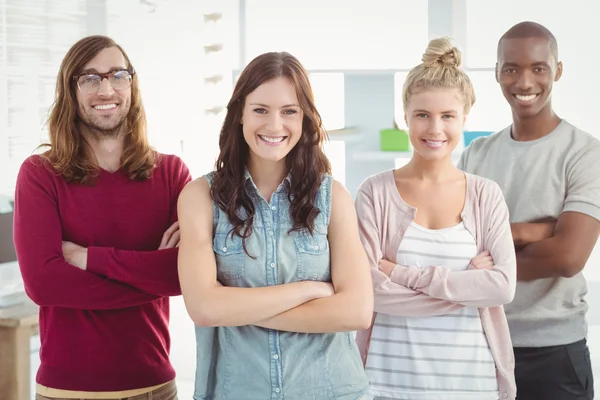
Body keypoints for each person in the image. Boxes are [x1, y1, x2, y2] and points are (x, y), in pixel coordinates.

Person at [177, 51, 373, 400]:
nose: (274, 126)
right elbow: (205, 309)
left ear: (304, 119)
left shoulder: (333, 198)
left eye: (289, 112)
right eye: (260, 110)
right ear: (239, 113)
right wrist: (309, 290)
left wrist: (236, 310)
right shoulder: (199, 198)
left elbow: (356, 311)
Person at [13, 35, 190, 400]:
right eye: (90, 78)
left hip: (156, 388)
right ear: (71, 90)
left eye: (117, 75)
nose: (106, 88)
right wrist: (150, 274)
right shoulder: (40, 174)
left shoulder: (172, 174)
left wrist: (85, 258)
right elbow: (43, 285)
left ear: (132, 84)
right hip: (65, 391)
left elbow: (183, 275)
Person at [355, 37, 517, 400]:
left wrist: (399, 273)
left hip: (472, 384)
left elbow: (503, 287)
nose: (434, 129)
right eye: (422, 115)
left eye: (447, 116)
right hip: (387, 384)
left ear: (464, 118)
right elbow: (367, 293)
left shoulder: (485, 195)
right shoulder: (374, 193)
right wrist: (469, 288)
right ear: (405, 116)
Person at [458, 21, 600, 400]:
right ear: (497, 74)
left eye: (538, 68)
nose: (524, 82)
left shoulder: (585, 153)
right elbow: (455, 248)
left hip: (554, 353)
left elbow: (568, 257)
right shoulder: (476, 155)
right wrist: (534, 230)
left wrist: (493, 250)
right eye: (511, 69)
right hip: (479, 345)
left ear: (557, 70)